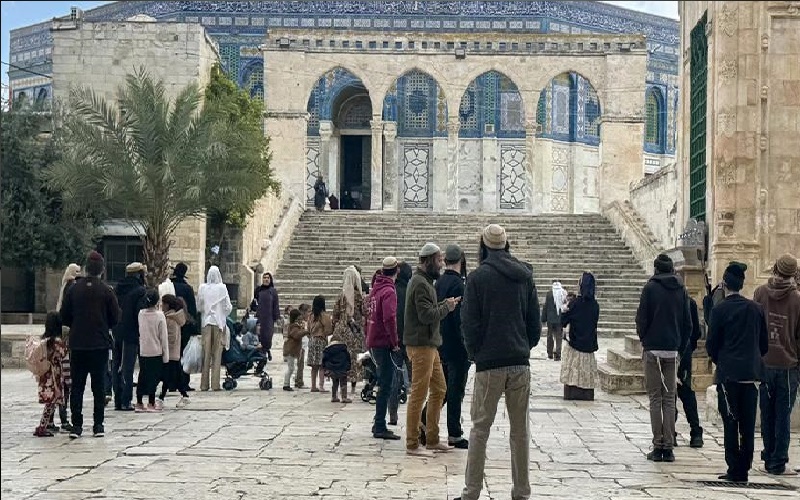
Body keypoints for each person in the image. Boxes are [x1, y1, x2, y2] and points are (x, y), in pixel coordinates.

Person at [455, 224, 540, 500]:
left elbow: (469, 322)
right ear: (506, 245)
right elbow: (534, 322)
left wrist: (476, 353)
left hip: (489, 364)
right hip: (519, 362)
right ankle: (521, 491)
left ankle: (471, 492)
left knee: (480, 429)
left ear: (483, 246)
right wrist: (524, 346)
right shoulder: (524, 276)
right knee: (520, 431)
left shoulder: (478, 278)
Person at [707, 262, 769, 483]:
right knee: (748, 424)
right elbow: (764, 344)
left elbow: (711, 345)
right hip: (751, 375)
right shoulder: (756, 309)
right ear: (742, 284)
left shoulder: (719, 310)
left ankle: (734, 468)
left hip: (729, 375)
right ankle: (745, 467)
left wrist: (722, 361)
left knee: (731, 422)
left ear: (724, 283)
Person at [636, 253, 691, 463]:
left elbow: (642, 318)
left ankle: (657, 444)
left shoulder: (650, 288)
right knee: (669, 398)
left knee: (655, 398)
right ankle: (668, 447)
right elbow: (688, 323)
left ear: (656, 269)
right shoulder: (681, 289)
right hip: (672, 350)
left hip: (653, 350)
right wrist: (680, 347)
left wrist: (645, 340)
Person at [404, 242, 458, 456]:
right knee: (419, 393)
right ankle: (412, 442)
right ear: (427, 261)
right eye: (438, 260)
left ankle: (432, 439)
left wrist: (444, 304)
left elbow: (428, 309)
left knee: (440, 389)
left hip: (430, 344)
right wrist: (447, 307)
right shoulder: (420, 283)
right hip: (421, 345)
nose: (442, 264)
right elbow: (426, 315)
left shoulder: (425, 281)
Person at [59, 250, 120, 439]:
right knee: (98, 386)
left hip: (78, 344)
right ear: (102, 269)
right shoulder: (106, 290)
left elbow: (64, 316)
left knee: (77, 386)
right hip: (99, 344)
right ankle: (98, 425)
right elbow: (115, 317)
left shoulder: (73, 289)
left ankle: (77, 425)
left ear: (86, 268)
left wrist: (77, 325)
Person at [753, 254, 800, 475]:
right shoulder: (797, 300)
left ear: (774, 269)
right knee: (783, 416)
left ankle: (768, 456)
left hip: (764, 362)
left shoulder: (760, 293)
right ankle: (778, 462)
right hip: (788, 365)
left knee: (767, 413)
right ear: (794, 274)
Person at [421, 244, 470, 449]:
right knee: (455, 390)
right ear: (461, 261)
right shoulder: (459, 285)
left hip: (440, 342)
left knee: (442, 389)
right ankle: (454, 433)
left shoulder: (438, 282)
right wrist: (467, 344)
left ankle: (424, 421)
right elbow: (461, 319)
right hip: (457, 345)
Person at [366, 256, 401, 440]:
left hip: (373, 340)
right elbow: (389, 318)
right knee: (386, 384)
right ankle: (379, 425)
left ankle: (378, 422)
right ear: (397, 271)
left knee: (383, 382)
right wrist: (395, 342)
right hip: (383, 342)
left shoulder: (375, 289)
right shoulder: (388, 291)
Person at [111, 262, 147, 411]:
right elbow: (140, 313)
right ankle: (126, 400)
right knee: (127, 367)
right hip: (131, 333)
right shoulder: (139, 291)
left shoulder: (117, 289)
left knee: (116, 365)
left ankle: (118, 399)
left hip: (117, 331)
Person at [560, 272, 600, 401]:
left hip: (575, 343)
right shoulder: (595, 305)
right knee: (586, 370)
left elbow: (563, 321)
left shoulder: (575, 303)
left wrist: (564, 309)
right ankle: (586, 393)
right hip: (589, 344)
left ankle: (572, 392)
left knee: (573, 370)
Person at [331, 266, 367, 398]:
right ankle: (351, 388)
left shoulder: (340, 296)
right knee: (353, 359)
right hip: (354, 331)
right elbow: (365, 312)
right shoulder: (358, 296)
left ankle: (336, 391)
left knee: (339, 360)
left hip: (340, 331)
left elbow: (335, 314)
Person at [197, 266, 232, 391]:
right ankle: (215, 384)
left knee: (206, 354)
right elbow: (228, 307)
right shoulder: (222, 288)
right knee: (217, 354)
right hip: (219, 324)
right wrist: (221, 313)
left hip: (206, 323)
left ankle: (204, 384)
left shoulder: (202, 288)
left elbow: (199, 306)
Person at [54, 263, 80, 432]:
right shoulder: (72, 286)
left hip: (63, 331)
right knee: (66, 381)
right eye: (77, 271)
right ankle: (64, 418)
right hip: (68, 333)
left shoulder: (65, 286)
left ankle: (59, 417)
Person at [33, 312, 68, 437]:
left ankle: (48, 424)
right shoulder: (57, 342)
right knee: (51, 402)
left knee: (51, 401)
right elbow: (63, 354)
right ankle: (42, 427)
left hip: (45, 375)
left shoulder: (44, 340)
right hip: (54, 375)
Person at [676, 294, 704, 448]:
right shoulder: (689, 301)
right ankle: (696, 432)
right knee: (686, 391)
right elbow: (696, 332)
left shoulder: (662, 298)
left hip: (668, 350)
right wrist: (687, 348)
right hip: (684, 352)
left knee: (668, 394)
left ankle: (669, 431)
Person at [135, 288, 169, 412]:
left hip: (144, 350)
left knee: (142, 376)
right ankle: (151, 402)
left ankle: (139, 402)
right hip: (156, 351)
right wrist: (166, 357)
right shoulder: (160, 316)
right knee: (153, 378)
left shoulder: (141, 314)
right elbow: (163, 337)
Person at [392, 261, 414, 424]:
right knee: (415, 379)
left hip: (394, 340)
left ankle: (393, 413)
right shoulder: (410, 292)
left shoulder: (392, 291)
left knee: (395, 377)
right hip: (410, 339)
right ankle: (414, 417)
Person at [171, 262, 199, 392]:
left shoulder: (169, 286)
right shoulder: (187, 288)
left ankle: (171, 382)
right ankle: (183, 382)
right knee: (184, 354)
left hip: (171, 323)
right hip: (185, 326)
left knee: (172, 354)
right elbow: (192, 309)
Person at [158, 294, 188, 407]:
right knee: (171, 376)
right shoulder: (171, 317)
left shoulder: (170, 319)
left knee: (170, 376)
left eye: (163, 303)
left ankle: (182, 396)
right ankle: (163, 397)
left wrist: (162, 346)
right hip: (172, 352)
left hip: (170, 352)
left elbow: (171, 337)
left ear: (167, 305)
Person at [252, 272, 279, 370]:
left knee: (268, 337)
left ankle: (267, 350)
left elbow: (275, 305)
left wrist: (276, 317)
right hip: (260, 318)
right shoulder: (258, 290)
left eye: (268, 278)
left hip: (269, 319)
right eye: (264, 278)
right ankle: (262, 356)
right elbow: (254, 302)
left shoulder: (273, 291)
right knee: (259, 337)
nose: (266, 279)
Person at [307, 295, 333, 393]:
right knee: (322, 364)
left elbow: (308, 329)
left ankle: (313, 386)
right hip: (321, 341)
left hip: (312, 340)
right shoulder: (325, 316)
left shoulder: (310, 316)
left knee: (314, 366)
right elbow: (328, 330)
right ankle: (321, 386)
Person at [283, 309, 309, 391]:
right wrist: (305, 332)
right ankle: (286, 384)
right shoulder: (294, 327)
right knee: (291, 368)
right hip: (290, 350)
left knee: (292, 368)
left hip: (292, 350)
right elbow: (296, 335)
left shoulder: (294, 326)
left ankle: (287, 383)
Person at [542, 280, 567, 361]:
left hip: (550, 319)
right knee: (558, 337)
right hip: (559, 319)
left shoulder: (549, 294)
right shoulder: (563, 293)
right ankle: (558, 354)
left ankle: (550, 354)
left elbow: (546, 306)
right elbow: (565, 307)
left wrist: (543, 318)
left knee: (550, 336)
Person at [323, 336, 351, 403]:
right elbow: (348, 359)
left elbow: (324, 360)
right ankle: (344, 397)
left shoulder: (328, 350)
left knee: (335, 383)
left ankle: (334, 397)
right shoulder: (344, 349)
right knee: (343, 383)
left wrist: (326, 368)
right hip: (342, 369)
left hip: (332, 369)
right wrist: (348, 368)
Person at [295, 303, 311, 388]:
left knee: (300, 364)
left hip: (303, 345)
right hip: (300, 345)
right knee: (300, 364)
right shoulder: (300, 322)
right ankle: (299, 381)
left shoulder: (304, 321)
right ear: (303, 312)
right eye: (308, 312)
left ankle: (298, 379)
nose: (309, 314)